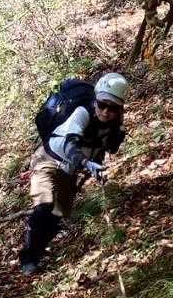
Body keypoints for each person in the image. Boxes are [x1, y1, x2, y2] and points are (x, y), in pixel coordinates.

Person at [20, 72, 128, 275]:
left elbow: (102, 147)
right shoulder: (82, 112)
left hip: (69, 171)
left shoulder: (114, 125)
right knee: (44, 205)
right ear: (95, 100)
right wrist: (86, 163)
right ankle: (28, 259)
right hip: (47, 160)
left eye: (112, 108)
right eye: (102, 104)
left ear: (119, 108)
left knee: (57, 216)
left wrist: (96, 166)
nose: (105, 111)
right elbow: (70, 144)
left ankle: (39, 249)